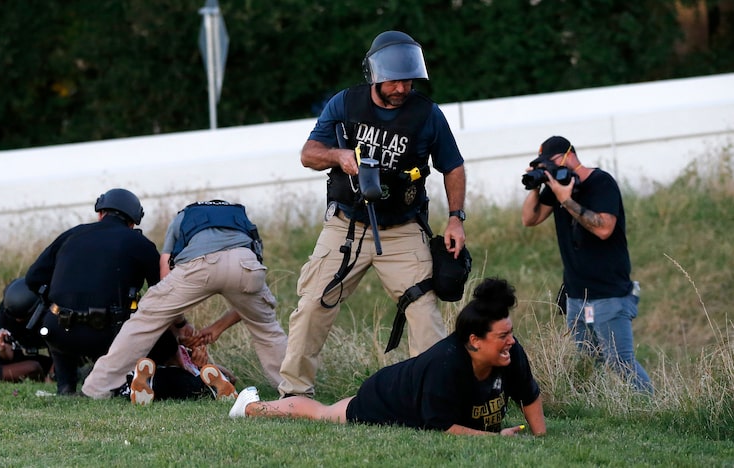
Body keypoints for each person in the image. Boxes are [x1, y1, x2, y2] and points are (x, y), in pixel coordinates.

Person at [278, 30, 467, 398]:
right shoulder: (345, 104)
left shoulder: (428, 114)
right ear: (375, 76)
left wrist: (456, 217)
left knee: (423, 306)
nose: (401, 88)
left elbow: (453, 167)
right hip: (346, 224)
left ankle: (434, 397)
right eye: (394, 80)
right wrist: (338, 156)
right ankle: (294, 394)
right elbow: (308, 153)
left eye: (408, 80)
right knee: (314, 304)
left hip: (403, 227)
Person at [230, 278, 547, 437]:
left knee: (331, 408)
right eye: (502, 337)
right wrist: (496, 439)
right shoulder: (446, 364)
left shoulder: (511, 354)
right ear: (475, 341)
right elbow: (441, 427)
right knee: (324, 414)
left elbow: (528, 395)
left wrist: (540, 437)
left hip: (408, 383)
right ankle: (250, 408)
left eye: (510, 333)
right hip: (386, 398)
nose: (511, 342)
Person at [81, 200, 288, 400]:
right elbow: (252, 297)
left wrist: (179, 324)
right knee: (267, 328)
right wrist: (216, 328)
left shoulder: (182, 217)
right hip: (246, 264)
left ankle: (98, 387)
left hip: (199, 264)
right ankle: (293, 389)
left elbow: (164, 274)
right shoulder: (242, 219)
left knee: (146, 318)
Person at [521, 135, 652, 393]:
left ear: (568, 155)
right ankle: (600, 408)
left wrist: (566, 200)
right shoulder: (558, 186)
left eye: (551, 162)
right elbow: (529, 219)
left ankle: (656, 408)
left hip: (608, 293)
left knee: (620, 362)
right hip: (576, 296)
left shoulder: (601, 183)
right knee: (587, 365)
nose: (548, 168)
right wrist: (536, 185)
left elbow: (604, 229)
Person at [24, 188, 164, 395]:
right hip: (109, 335)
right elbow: (163, 290)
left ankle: (66, 386)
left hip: (58, 331)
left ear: (101, 213)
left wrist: (56, 299)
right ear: (133, 221)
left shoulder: (71, 235)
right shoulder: (140, 243)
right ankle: (120, 384)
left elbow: (32, 278)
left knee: (55, 319)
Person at [0, 277, 53, 374]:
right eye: (16, 318)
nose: (18, 321)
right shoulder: (8, 308)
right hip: (21, 347)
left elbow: (63, 347)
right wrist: (2, 349)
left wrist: (53, 375)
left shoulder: (50, 309)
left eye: (22, 319)